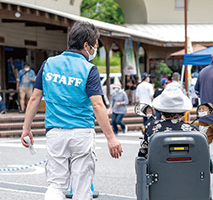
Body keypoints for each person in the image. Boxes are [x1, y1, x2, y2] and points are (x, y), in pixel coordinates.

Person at [21, 21, 123, 200]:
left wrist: (26, 129)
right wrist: (111, 138)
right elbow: (98, 105)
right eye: (95, 46)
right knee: (82, 188)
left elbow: (35, 98)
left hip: (55, 132)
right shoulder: (88, 69)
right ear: (86, 45)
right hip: (81, 133)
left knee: (56, 186)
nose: (94, 50)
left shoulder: (48, 64)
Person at [138, 87, 197, 158]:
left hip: (157, 168)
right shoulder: (193, 130)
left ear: (161, 111)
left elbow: (143, 152)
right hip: (189, 168)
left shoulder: (152, 127)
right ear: (183, 112)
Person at [195, 45, 213, 149]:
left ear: (212, 57)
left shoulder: (203, 72)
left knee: (200, 147)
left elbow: (197, 91)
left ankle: (198, 166)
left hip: (205, 117)